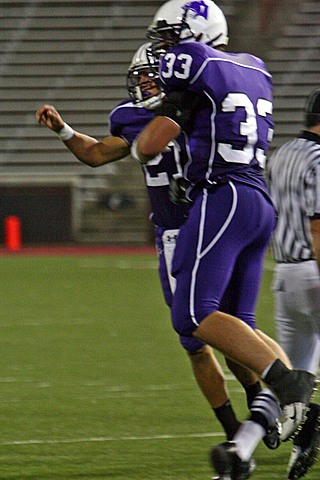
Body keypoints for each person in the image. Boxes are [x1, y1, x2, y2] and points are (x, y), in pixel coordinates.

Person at [36, 43, 270, 453]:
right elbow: (94, 154)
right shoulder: (130, 119)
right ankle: (237, 428)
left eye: (149, 76)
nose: (142, 83)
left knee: (227, 326)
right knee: (195, 340)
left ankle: (270, 402)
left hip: (213, 220)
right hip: (172, 234)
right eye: (139, 77)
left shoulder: (198, 106)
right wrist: (63, 130)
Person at [131, 1, 316, 477]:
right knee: (238, 324)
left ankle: (285, 383)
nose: (164, 45)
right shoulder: (253, 66)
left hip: (225, 196)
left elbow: (148, 145)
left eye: (171, 35)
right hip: (257, 198)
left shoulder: (194, 64)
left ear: (195, 32)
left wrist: (157, 129)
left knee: (192, 314)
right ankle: (297, 409)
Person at [266, 87, 320, 479]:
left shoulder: (281, 154)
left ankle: (300, 439)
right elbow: (318, 224)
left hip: (283, 274)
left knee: (298, 374)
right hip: (313, 269)